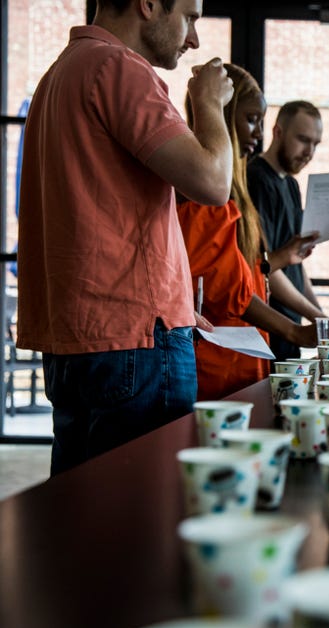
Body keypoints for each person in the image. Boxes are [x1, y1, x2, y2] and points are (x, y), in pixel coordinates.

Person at [17, 0, 234, 474]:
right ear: (149, 4)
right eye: (191, 17)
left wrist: (169, 303)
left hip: (80, 339)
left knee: (84, 517)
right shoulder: (119, 68)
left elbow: (99, 217)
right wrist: (209, 104)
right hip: (132, 345)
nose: (194, 38)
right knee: (140, 520)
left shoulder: (59, 76)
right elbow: (214, 183)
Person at [178, 64, 323, 400]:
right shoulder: (207, 192)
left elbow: (252, 271)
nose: (257, 133)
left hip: (243, 356)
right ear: (224, 115)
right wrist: (296, 331)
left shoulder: (237, 189)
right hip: (217, 363)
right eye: (251, 120)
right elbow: (227, 287)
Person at [248, 100, 326, 360]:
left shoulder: (292, 186)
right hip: (268, 329)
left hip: (290, 332)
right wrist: (316, 317)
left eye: (316, 143)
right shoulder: (255, 179)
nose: (309, 151)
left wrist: (324, 318)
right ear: (277, 132)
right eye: (303, 140)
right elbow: (264, 265)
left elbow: (295, 265)